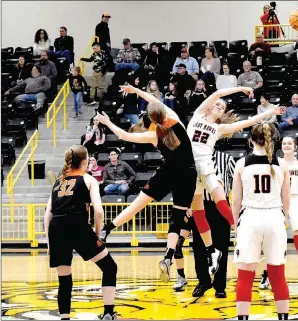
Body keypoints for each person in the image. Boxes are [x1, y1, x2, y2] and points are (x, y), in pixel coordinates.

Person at [96, 85, 197, 283]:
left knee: (137, 205)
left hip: (167, 172)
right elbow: (153, 100)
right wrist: (136, 90)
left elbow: (124, 136)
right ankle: (168, 257)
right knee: (177, 219)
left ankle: (108, 228)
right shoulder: (175, 119)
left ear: (151, 118)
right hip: (187, 174)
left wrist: (108, 122)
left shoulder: (154, 135)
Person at [186, 86, 285, 277]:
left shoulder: (220, 128)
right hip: (190, 168)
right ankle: (211, 251)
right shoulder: (198, 115)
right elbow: (217, 94)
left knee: (221, 201)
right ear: (209, 106)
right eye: (217, 105)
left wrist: (269, 112)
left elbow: (247, 122)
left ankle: (238, 230)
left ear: (222, 114)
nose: (218, 107)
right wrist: (241, 88)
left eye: (222, 108)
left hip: (206, 165)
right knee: (198, 212)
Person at [44, 145, 118, 320]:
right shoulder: (88, 179)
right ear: (85, 161)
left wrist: (49, 244)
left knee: (64, 279)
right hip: (77, 225)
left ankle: (65, 318)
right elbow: (99, 212)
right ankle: (108, 313)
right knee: (109, 267)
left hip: (56, 228)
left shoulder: (58, 181)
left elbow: (47, 215)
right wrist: (99, 235)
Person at [232, 122, 290, 321]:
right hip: (274, 217)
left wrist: (235, 225)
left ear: (251, 141)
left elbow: (236, 201)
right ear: (272, 139)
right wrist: (284, 219)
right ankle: (283, 318)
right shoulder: (282, 164)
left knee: (245, 275)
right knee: (277, 274)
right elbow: (286, 199)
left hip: (250, 217)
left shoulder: (242, 164)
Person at [173, 151, 235, 298]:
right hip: (199, 205)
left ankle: (220, 286)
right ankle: (203, 281)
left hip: (220, 205)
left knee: (221, 247)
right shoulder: (193, 158)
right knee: (199, 247)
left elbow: (237, 181)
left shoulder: (227, 159)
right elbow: (187, 182)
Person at [259, 136, 298, 292]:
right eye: (284, 143)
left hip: (296, 201)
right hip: (278, 201)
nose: (286, 145)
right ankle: (266, 275)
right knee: (272, 240)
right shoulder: (276, 162)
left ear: (295, 146)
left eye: (289, 143)